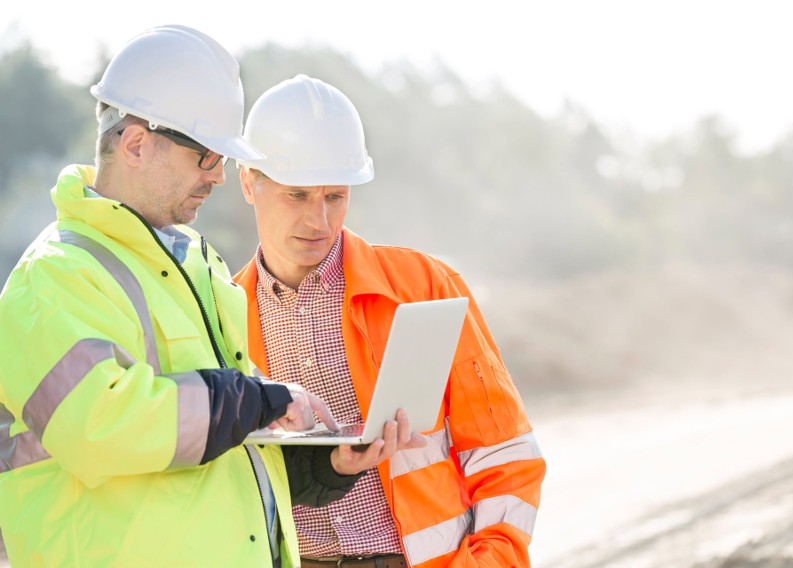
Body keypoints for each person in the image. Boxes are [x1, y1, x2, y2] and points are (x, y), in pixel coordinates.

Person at [0, 27, 420, 568]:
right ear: (135, 144)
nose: (220, 177)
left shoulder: (196, 266)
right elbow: (97, 428)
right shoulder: (55, 277)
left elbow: (210, 454)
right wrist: (255, 399)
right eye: (206, 156)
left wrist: (324, 468)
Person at [234, 74, 547, 568]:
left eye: (335, 196)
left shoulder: (424, 286)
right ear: (249, 181)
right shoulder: (224, 314)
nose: (319, 220)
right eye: (297, 196)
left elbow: (503, 452)